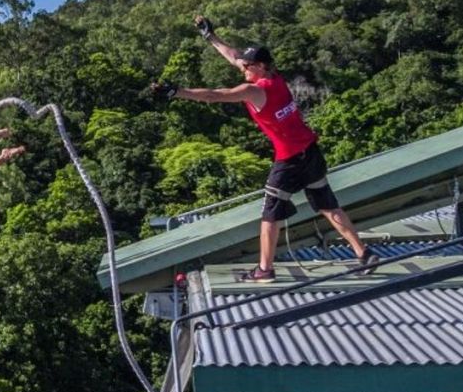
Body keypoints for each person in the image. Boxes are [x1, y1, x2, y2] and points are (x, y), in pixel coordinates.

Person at [150, 15, 378, 282]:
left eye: (247, 66)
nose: (242, 67)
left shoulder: (255, 91)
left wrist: (176, 92)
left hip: (290, 159)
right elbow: (233, 55)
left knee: (270, 215)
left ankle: (264, 270)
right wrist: (210, 36)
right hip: (311, 151)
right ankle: (364, 253)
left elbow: (215, 95)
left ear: (259, 66)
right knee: (328, 206)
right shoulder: (275, 77)